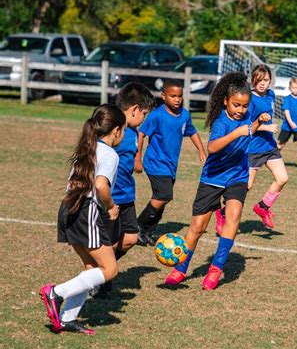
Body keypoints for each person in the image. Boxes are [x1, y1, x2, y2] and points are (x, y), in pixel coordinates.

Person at [164, 72, 270, 291]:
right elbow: (212, 148)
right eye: (236, 105)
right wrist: (238, 132)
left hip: (237, 176)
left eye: (244, 106)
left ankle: (216, 268)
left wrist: (258, 121)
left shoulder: (247, 114)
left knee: (233, 217)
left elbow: (250, 128)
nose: (241, 110)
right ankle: (181, 268)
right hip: (212, 177)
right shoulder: (221, 122)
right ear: (225, 101)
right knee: (198, 227)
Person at [40, 104, 126, 335]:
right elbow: (100, 185)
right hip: (85, 210)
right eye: (123, 130)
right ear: (116, 131)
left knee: (92, 267)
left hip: (69, 207)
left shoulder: (86, 148)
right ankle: (56, 293)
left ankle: (67, 318)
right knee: (110, 269)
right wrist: (111, 207)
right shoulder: (109, 154)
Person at [95, 82, 155, 299]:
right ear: (135, 110)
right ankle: (100, 278)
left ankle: (101, 270)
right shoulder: (114, 130)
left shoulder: (132, 132)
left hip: (127, 196)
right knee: (105, 243)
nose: (144, 119)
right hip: (110, 199)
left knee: (130, 237)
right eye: (145, 114)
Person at [215, 64, 288, 233]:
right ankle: (223, 214)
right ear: (253, 80)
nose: (263, 83)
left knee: (282, 178)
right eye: (259, 80)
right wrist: (266, 127)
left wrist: (270, 130)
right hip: (253, 148)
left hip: (269, 146)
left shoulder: (271, 94)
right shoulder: (249, 100)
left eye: (267, 80)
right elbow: (247, 125)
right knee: (245, 187)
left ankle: (263, 207)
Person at [135, 79, 206, 245]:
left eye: (179, 96)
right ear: (163, 96)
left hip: (170, 166)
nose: (177, 99)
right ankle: (138, 227)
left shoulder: (185, 115)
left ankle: (146, 233)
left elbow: (192, 132)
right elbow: (141, 134)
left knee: (162, 199)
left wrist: (201, 150)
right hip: (155, 163)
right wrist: (137, 158)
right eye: (173, 96)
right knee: (163, 196)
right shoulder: (157, 115)